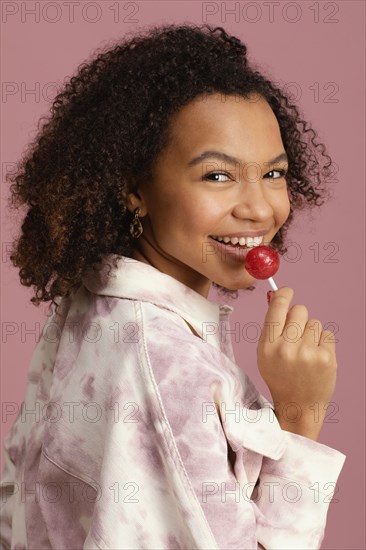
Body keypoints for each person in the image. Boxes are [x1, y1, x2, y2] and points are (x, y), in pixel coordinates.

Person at [0, 23, 346, 549]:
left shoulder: (96, 304)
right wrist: (300, 415)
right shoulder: (163, 363)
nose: (259, 208)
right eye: (217, 176)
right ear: (135, 189)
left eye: (274, 174)